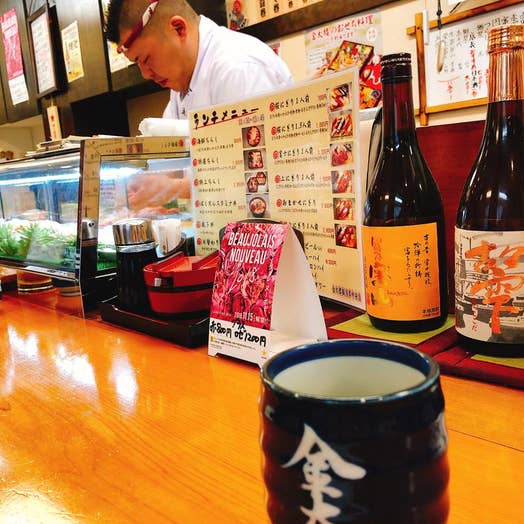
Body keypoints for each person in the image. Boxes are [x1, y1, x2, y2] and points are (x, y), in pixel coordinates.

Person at [105, 0, 294, 119]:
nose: (146, 74)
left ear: (178, 28)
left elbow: (255, 163)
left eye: (146, 59)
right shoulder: (183, 79)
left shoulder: (237, 67)